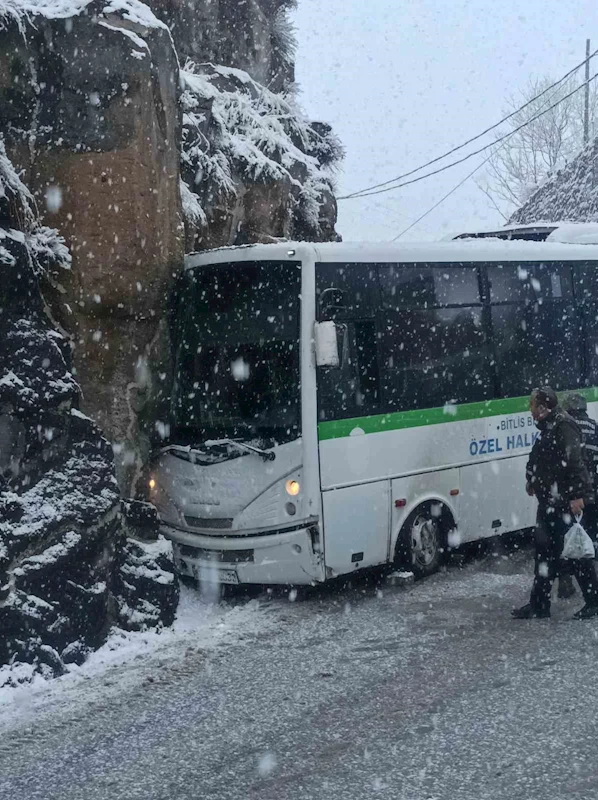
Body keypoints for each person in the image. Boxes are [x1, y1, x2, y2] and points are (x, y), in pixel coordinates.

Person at [512, 386, 598, 620]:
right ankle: (539, 605)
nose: (530, 411)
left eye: (532, 406)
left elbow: (574, 462)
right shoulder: (548, 427)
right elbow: (537, 457)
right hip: (549, 502)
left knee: (576, 552)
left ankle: (593, 601)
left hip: (564, 502)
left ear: (543, 407)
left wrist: (578, 496)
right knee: (544, 555)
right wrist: (531, 479)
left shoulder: (564, 425)